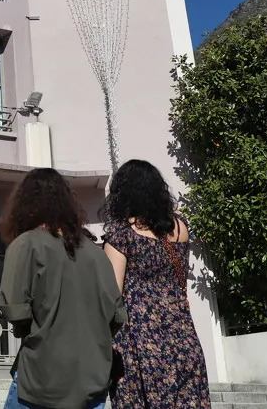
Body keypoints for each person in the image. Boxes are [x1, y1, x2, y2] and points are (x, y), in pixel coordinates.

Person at [0, 168, 124, 409]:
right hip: (92, 383)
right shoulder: (96, 254)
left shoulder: (26, 244)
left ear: (25, 203)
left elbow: (14, 309)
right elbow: (117, 316)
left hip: (42, 380)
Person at [102, 159, 211, 408]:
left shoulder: (121, 236)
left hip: (140, 344)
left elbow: (111, 297)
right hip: (183, 337)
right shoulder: (180, 227)